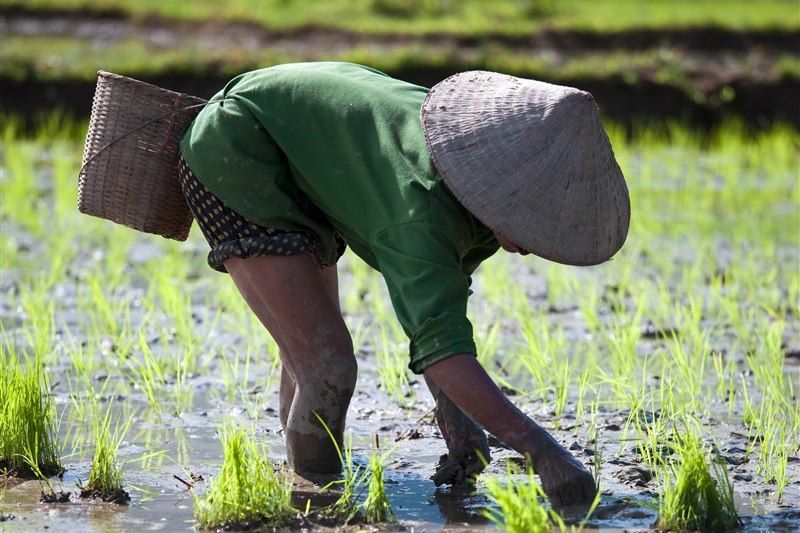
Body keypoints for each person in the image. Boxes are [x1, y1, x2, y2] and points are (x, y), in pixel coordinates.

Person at [178, 61, 629, 507]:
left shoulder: (474, 192)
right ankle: (315, 497)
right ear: (502, 191)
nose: (534, 243)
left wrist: (457, 416)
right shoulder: (423, 212)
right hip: (238, 148)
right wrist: (543, 452)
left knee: (309, 349)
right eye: (533, 220)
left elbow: (438, 319)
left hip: (303, 146)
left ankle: (307, 475)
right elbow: (441, 350)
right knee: (326, 365)